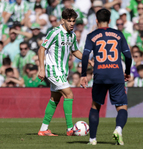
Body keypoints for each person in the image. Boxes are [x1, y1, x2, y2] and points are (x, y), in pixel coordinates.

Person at [37, 8, 92, 136]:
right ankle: (69, 129)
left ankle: (43, 129)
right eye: (69, 21)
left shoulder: (72, 35)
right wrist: (41, 68)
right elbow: (41, 49)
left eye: (73, 21)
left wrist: (87, 60)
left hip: (62, 72)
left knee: (55, 98)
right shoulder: (55, 32)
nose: (72, 23)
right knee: (69, 94)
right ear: (63, 20)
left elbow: (75, 51)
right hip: (52, 69)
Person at [80, 9, 132, 145]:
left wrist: (83, 75)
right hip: (116, 74)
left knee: (95, 106)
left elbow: (85, 55)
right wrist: (127, 72)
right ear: (110, 21)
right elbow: (128, 56)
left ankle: (92, 139)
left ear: (96, 20)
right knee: (122, 107)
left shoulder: (91, 35)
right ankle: (118, 129)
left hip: (100, 75)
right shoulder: (118, 34)